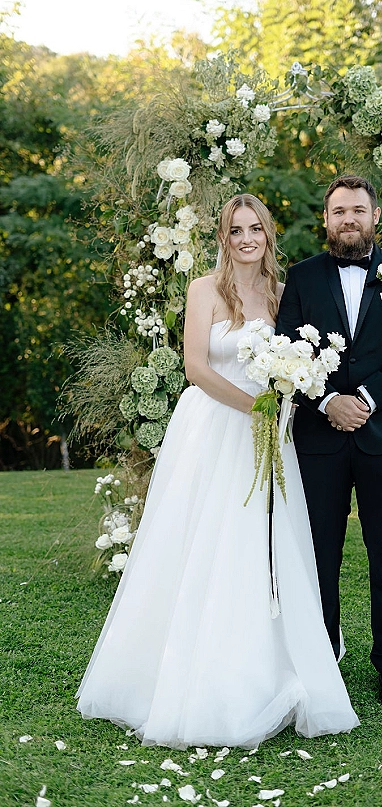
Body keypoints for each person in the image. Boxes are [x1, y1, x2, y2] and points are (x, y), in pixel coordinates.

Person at [76, 193, 359, 748]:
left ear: (269, 235)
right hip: (213, 428)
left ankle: (268, 669)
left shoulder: (282, 295)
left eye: (256, 228)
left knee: (265, 545)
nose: (247, 238)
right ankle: (187, 674)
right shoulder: (202, 290)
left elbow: (295, 363)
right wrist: (251, 405)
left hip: (269, 433)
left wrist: (282, 397)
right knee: (206, 542)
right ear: (223, 238)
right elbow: (196, 367)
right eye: (236, 230)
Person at [276, 175, 382, 707]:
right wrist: (325, 403)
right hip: (319, 439)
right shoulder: (300, 278)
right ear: (325, 220)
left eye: (358, 210)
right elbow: (283, 355)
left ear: (374, 217)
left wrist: (364, 398)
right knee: (319, 553)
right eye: (339, 211)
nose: (348, 219)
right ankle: (321, 658)